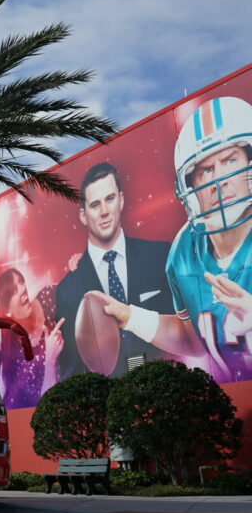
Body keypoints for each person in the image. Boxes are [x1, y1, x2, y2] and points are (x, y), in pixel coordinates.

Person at [97, 96, 252, 383]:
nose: (221, 179)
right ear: (189, 184)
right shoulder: (183, 252)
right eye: (206, 169)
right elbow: (190, 337)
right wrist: (130, 316)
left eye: (230, 160)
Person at [54, 162, 173, 379]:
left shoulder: (160, 256)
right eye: (95, 204)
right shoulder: (67, 290)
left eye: (110, 199)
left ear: (121, 200)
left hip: (165, 391)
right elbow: (72, 366)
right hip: (108, 405)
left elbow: (182, 328)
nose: (104, 212)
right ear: (83, 215)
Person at [0, 268, 63, 408]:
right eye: (13, 291)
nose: (23, 289)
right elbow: (46, 407)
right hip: (42, 415)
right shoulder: (11, 346)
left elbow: (75, 287)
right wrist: (50, 360)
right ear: (6, 311)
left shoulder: (48, 297)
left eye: (21, 282)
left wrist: (77, 265)